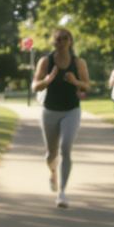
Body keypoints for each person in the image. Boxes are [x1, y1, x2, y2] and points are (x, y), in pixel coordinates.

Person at [31, 27, 90, 208]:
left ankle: (62, 192)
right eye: (58, 39)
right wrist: (47, 81)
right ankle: (53, 173)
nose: (61, 42)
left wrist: (76, 82)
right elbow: (35, 86)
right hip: (50, 111)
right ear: (53, 42)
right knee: (51, 154)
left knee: (66, 148)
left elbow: (87, 86)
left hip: (71, 111)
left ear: (70, 41)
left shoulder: (78, 62)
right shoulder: (45, 61)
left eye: (64, 38)